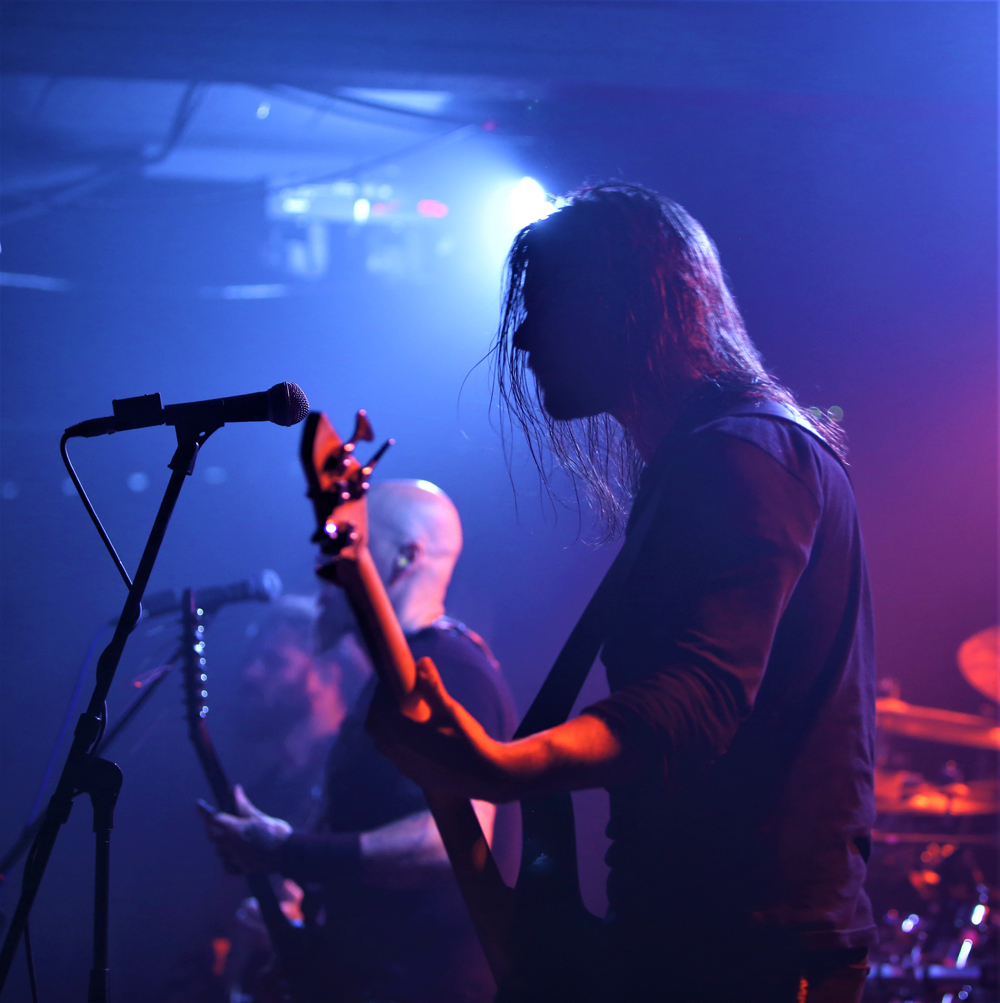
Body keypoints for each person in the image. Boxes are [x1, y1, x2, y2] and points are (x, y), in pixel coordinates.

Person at [366, 184, 876, 1003]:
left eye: (545, 306)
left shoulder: (743, 455)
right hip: (694, 938)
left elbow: (702, 693)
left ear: (628, 306)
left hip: (750, 952)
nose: (523, 336)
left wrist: (505, 766)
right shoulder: (706, 459)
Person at [201, 480, 518, 1003]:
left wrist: (289, 852)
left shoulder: (448, 669)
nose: (326, 570)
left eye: (345, 546)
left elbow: (454, 840)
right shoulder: (397, 677)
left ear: (405, 558)